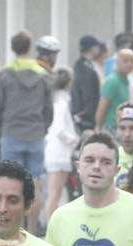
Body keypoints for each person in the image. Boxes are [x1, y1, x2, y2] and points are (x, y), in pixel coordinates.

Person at [0, 32, 54, 233]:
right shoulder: (42, 74)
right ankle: (32, 228)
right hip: (35, 134)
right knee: (35, 183)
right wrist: (43, 127)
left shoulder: (4, 74)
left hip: (11, 133)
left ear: (12, 48)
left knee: (10, 183)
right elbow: (49, 107)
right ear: (30, 48)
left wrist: (1, 128)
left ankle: (14, 228)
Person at [43, 68, 77, 221]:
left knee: (55, 193)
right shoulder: (62, 102)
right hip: (60, 152)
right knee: (55, 193)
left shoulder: (55, 100)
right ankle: (50, 224)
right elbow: (60, 130)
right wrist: (74, 139)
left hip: (53, 151)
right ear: (69, 82)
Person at [71, 34, 105, 133]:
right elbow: (89, 96)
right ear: (93, 48)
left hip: (84, 117)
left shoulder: (82, 65)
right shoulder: (86, 69)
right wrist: (87, 115)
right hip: (86, 120)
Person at [97, 48, 133, 131]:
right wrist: (98, 127)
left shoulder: (129, 80)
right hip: (113, 127)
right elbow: (103, 106)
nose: (129, 64)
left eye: (132, 61)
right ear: (117, 63)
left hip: (125, 127)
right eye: (125, 61)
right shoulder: (112, 81)